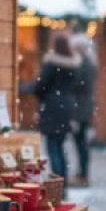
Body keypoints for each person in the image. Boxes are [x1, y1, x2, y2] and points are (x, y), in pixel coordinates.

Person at [32, 32, 84, 180]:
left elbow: (40, 86)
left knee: (52, 148)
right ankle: (63, 182)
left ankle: (57, 184)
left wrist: (41, 94)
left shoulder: (51, 64)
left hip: (51, 108)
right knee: (60, 147)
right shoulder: (73, 65)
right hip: (66, 107)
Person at [68, 34, 98, 187]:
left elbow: (77, 85)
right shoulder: (89, 63)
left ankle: (83, 174)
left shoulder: (83, 64)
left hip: (80, 109)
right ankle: (82, 172)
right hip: (84, 107)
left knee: (80, 143)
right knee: (81, 143)